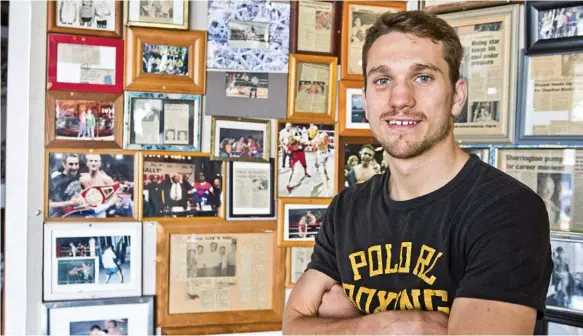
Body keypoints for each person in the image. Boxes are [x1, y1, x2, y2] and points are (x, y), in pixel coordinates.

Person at [283, 11, 552, 335]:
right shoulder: (347, 208)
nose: (400, 99)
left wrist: (341, 323)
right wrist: (390, 325)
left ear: (457, 96)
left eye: (422, 77)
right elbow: (293, 326)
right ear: (366, 100)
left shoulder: (506, 209)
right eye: (383, 80)